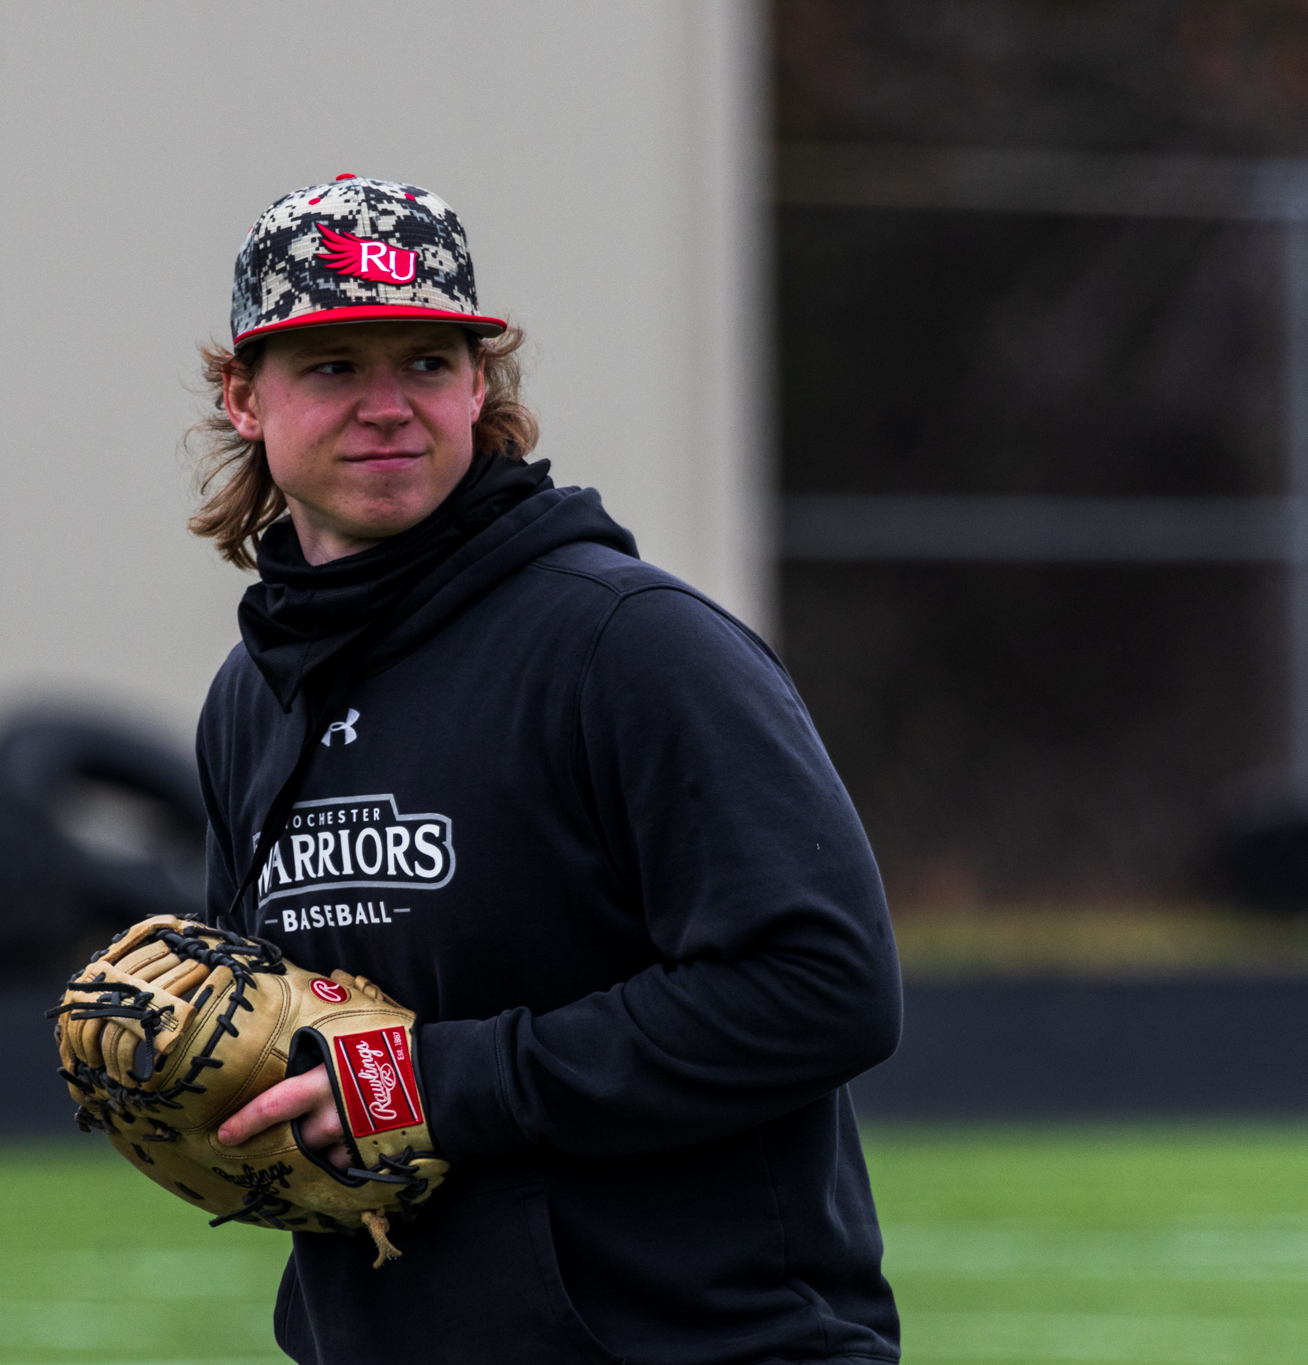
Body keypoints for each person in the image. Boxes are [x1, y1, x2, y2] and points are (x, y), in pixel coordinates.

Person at [191, 174, 903, 1365]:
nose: (387, 406)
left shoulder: (625, 644)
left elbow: (823, 984)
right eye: (332, 368)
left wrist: (434, 1084)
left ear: (480, 382)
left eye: (425, 362)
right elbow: (299, 1038)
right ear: (243, 397)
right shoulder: (251, 699)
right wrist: (229, 1096)